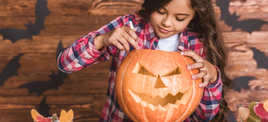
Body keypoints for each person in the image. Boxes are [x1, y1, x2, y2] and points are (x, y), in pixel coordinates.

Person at [57, 0, 232, 121]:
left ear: (194, 15)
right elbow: (66, 64)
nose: (167, 23)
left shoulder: (198, 45)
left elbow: (204, 116)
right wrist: (102, 40)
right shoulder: (129, 28)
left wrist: (212, 78)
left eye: (180, 18)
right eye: (161, 11)